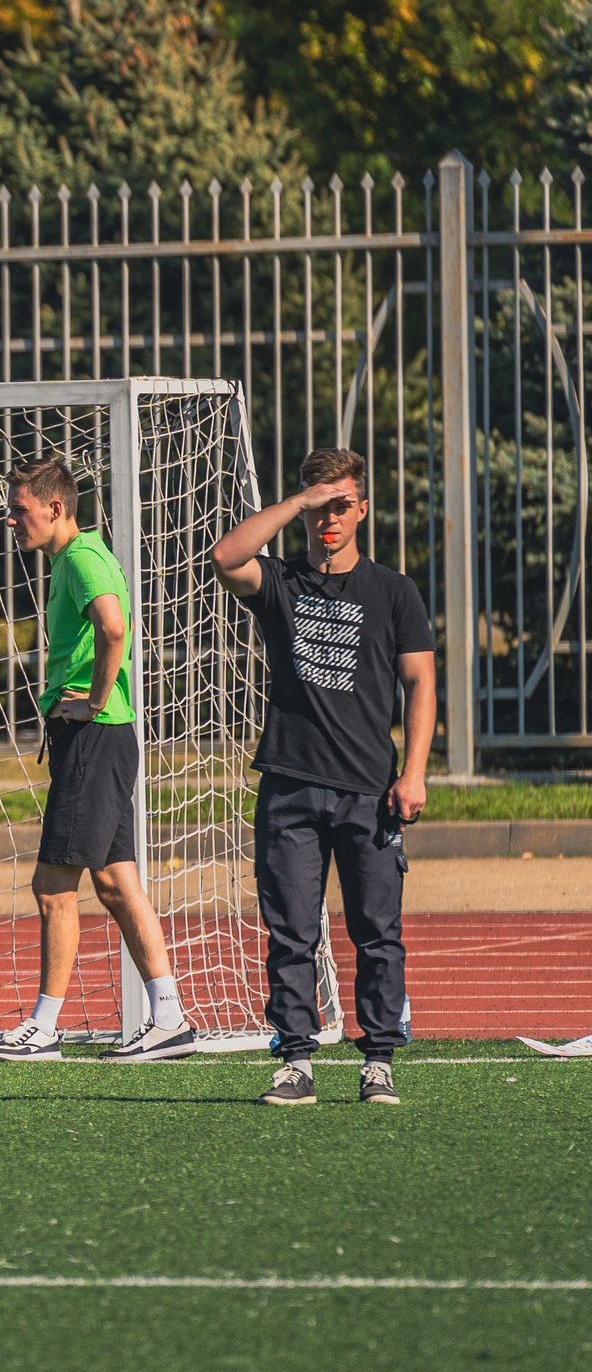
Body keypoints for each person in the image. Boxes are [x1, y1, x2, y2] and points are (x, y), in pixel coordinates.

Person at [210, 447, 435, 1107]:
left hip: (370, 790)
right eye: (319, 506)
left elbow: (420, 683)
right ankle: (296, 1060)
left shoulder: (394, 591)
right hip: (289, 783)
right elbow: (225, 557)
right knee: (291, 932)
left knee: (376, 931)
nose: (328, 518)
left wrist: (414, 773)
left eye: (341, 505)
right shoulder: (281, 581)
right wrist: (296, 504)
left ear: (363, 509)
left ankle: (379, 1061)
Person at [0, 459, 198, 1065]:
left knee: (52, 886)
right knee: (116, 882)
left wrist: (96, 700)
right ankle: (169, 1017)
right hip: (105, 737)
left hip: (97, 736)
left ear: (55, 509)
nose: (11, 519)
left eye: (20, 508)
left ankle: (43, 1028)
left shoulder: (79, 558)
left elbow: (114, 628)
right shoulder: (73, 558)